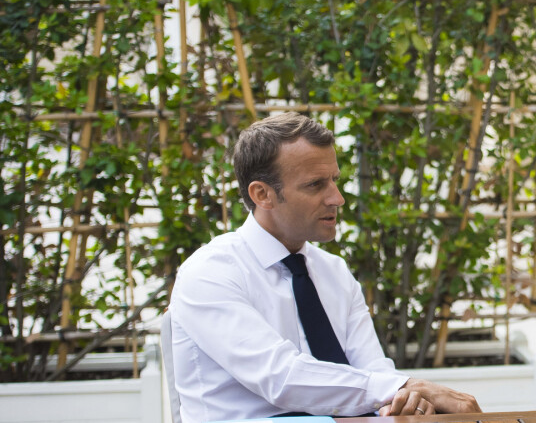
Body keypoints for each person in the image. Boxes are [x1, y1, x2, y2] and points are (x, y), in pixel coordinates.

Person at [169, 112, 481, 422]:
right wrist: (402, 386)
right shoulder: (209, 273)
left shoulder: (334, 272)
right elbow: (281, 377)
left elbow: (374, 375)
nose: (337, 198)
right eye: (316, 184)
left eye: (334, 180)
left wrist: (406, 400)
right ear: (262, 194)